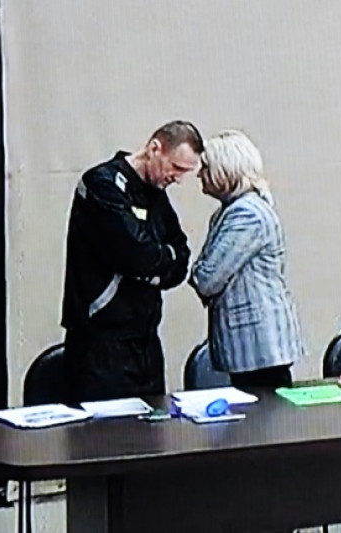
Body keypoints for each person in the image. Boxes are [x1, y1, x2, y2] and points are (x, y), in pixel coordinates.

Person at [60, 120, 204, 402]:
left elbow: (181, 257)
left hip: (146, 340)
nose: (177, 179)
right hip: (102, 344)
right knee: (106, 428)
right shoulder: (103, 184)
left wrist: (156, 264)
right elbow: (135, 254)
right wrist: (154, 262)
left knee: (153, 423)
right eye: (176, 168)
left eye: (185, 173)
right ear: (155, 149)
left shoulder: (156, 195)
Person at [189, 129, 305, 389]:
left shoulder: (246, 214)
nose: (199, 174)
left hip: (258, 346)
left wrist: (196, 271)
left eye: (206, 167)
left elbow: (207, 278)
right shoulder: (230, 211)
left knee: (264, 412)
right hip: (249, 345)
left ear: (225, 169)